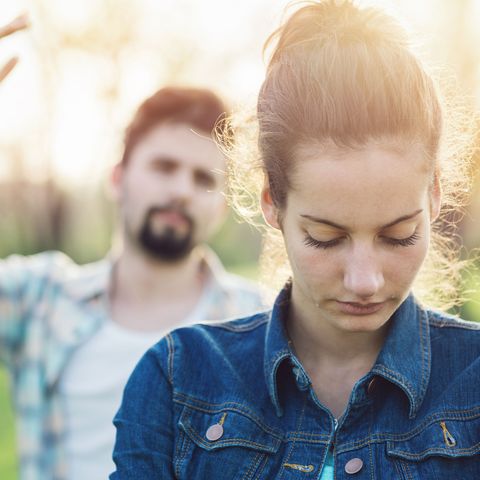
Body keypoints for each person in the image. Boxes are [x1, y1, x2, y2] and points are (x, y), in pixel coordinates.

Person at [110, 1, 480, 479]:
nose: (365, 280)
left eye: (398, 235)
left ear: (434, 198)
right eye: (325, 237)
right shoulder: (177, 380)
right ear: (272, 203)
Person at [0, 86, 265, 480]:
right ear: (118, 178)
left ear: (222, 207)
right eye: (163, 167)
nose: (181, 190)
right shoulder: (40, 298)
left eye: (202, 178)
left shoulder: (259, 323)